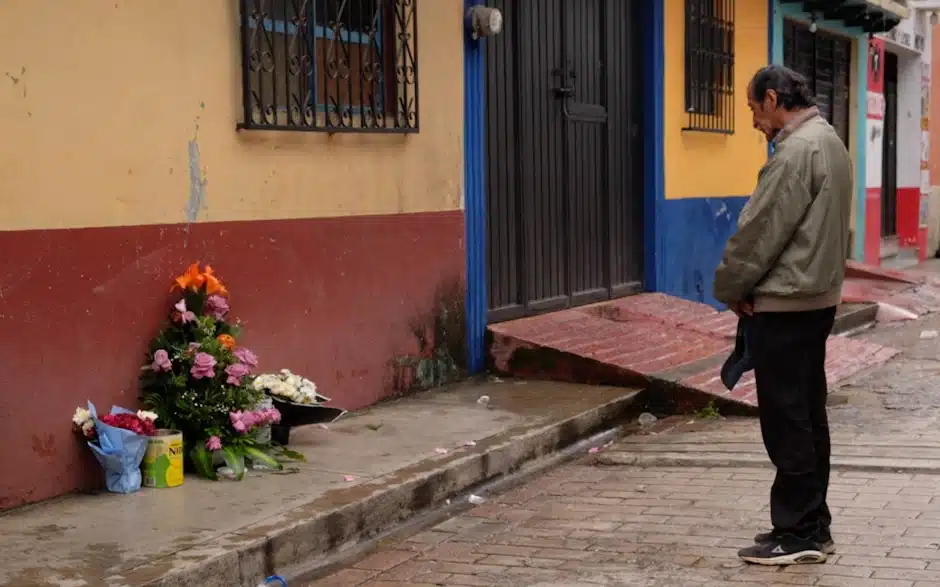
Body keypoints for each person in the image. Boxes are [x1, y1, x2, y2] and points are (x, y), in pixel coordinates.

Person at [713, 64, 853, 566]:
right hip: (814, 299)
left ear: (773, 99)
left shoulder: (797, 151)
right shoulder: (830, 141)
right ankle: (813, 523)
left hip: (788, 302)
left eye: (753, 108)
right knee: (808, 414)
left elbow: (760, 231)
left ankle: (797, 534)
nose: (754, 120)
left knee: (788, 419)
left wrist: (729, 286)